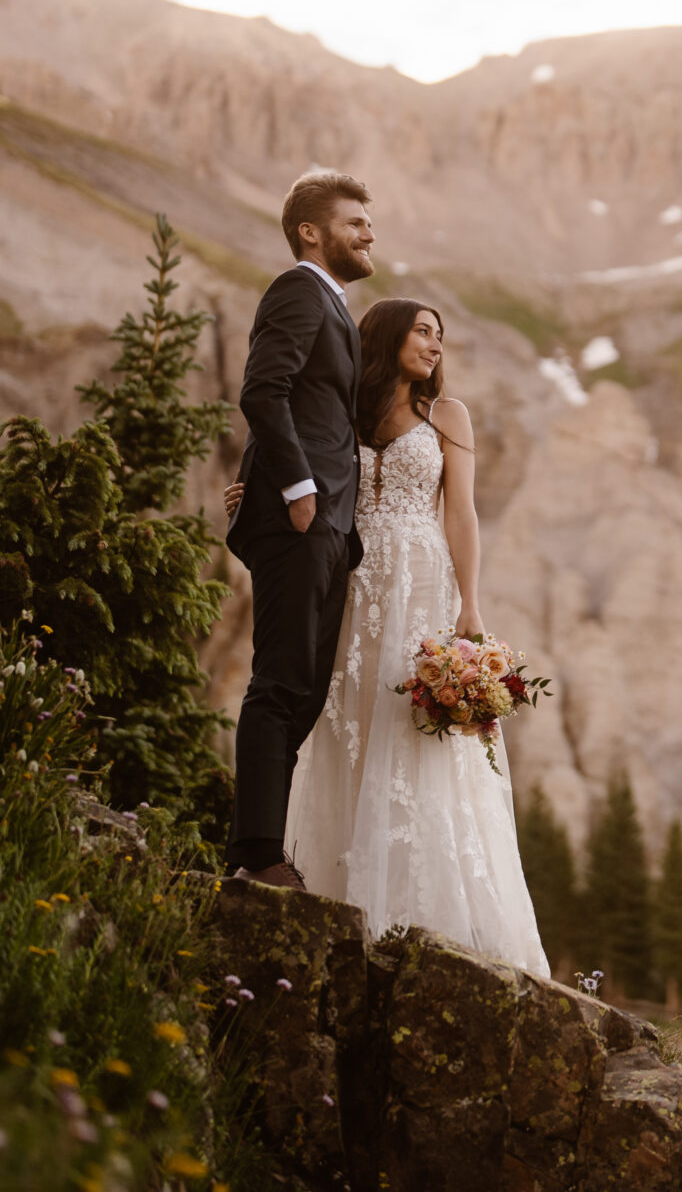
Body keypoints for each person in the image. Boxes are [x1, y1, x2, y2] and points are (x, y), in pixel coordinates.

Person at [231, 299, 548, 974]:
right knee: (344, 714)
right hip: (346, 574)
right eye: (423, 331)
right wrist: (252, 495)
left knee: (407, 721)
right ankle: (339, 890)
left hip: (422, 580)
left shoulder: (447, 417)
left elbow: (461, 513)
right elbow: (289, 454)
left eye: (442, 335)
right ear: (386, 335)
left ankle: (422, 909)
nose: (435, 344)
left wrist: (470, 603)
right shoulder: (342, 411)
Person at [222, 171, 374, 888]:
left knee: (305, 690)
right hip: (301, 518)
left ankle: (262, 846)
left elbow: (310, 406)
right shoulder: (298, 290)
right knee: (280, 681)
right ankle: (256, 853)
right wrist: (296, 488)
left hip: (329, 529)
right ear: (311, 231)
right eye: (355, 221)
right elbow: (262, 388)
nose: (368, 232)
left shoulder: (335, 306)